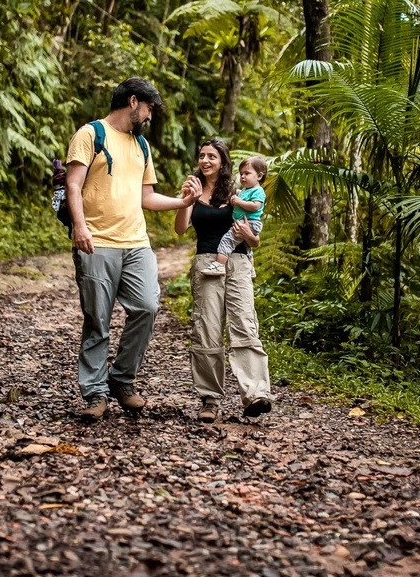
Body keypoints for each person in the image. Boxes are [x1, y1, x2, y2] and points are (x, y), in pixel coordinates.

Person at [65, 77, 196, 423]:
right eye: (150, 109)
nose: (150, 117)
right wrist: (80, 227)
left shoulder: (141, 145)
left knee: (148, 307)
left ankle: (121, 378)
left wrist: (183, 201)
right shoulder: (90, 134)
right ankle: (94, 392)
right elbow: (73, 185)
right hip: (97, 243)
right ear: (134, 101)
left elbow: (146, 196)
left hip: (136, 243)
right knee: (98, 320)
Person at [174, 138, 273, 423]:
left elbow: (255, 239)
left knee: (243, 322)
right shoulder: (193, 187)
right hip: (207, 263)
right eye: (202, 155)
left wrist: (248, 237)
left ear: (223, 161)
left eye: (212, 156)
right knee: (206, 328)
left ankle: (255, 393)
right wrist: (186, 201)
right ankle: (209, 399)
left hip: (239, 262)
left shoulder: (239, 191)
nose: (205, 161)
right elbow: (181, 229)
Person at [201, 155, 267, 276]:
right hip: (245, 222)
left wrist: (239, 202)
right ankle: (251, 268)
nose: (242, 176)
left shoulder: (258, 191)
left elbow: (255, 206)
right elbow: (231, 193)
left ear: (259, 176)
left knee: (227, 240)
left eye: (247, 173)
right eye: (241, 174)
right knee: (246, 247)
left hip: (249, 222)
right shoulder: (246, 190)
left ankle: (219, 265)